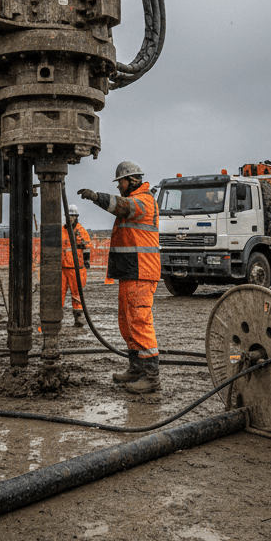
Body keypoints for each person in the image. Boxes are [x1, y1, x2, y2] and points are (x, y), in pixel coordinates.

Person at [78, 161, 162, 394]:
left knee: (140, 321)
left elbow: (122, 206)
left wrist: (96, 197)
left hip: (141, 272)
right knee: (127, 323)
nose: (119, 187)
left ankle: (151, 377)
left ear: (132, 181)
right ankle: (136, 369)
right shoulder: (137, 200)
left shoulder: (143, 201)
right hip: (130, 272)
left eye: (121, 182)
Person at [61, 204, 92, 327]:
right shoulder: (62, 231)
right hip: (63, 268)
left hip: (76, 268)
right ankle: (56, 318)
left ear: (76, 217)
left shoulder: (80, 231)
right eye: (69, 216)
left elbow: (87, 247)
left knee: (77, 294)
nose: (70, 218)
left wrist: (86, 260)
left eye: (72, 216)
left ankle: (78, 318)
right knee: (59, 293)